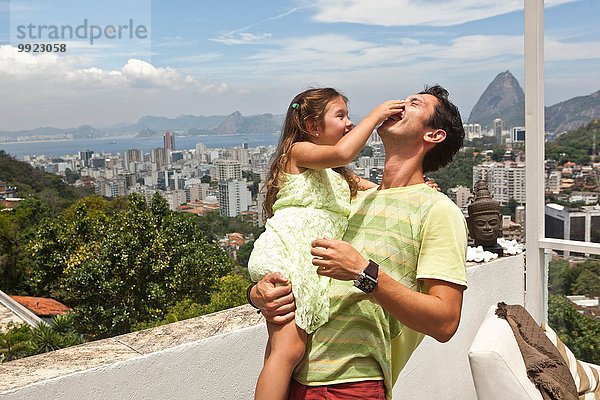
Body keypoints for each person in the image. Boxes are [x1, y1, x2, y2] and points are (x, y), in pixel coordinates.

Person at [249, 85, 468, 400]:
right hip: (295, 377)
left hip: (351, 384)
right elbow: (293, 254)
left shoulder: (437, 210)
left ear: (433, 135)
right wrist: (258, 293)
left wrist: (363, 272)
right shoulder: (346, 200)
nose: (399, 104)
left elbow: (445, 322)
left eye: (414, 103)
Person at [248, 87, 404, 400]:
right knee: (286, 350)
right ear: (313, 126)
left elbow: (381, 193)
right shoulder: (298, 153)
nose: (349, 123)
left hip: (309, 261)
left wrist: (420, 187)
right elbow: (344, 152)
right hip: (289, 252)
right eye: (341, 115)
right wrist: (375, 117)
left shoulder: (338, 176)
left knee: (289, 349)